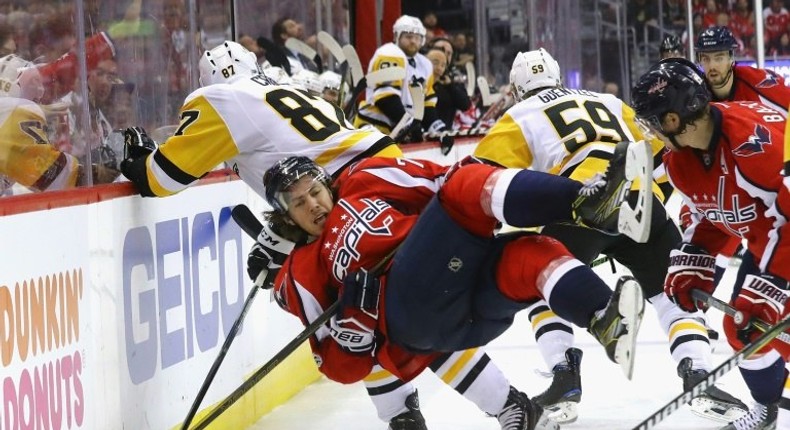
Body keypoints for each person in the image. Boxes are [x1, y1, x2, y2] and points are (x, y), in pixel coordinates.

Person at [119, 40, 523, 430]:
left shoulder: (218, 100)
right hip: (365, 180)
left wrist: (137, 162)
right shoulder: (279, 88)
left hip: (348, 194)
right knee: (363, 311)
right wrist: (281, 237)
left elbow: (163, 178)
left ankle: (485, 406)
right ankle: (424, 413)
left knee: (387, 315)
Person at [261, 146, 651, 429]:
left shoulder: (363, 181)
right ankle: (407, 414)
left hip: (458, 309)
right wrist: (356, 330)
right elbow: (338, 367)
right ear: (287, 217)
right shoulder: (301, 271)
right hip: (411, 315)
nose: (312, 204)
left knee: (531, 253)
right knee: (464, 188)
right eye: (298, 203)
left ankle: (604, 318)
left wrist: (487, 185)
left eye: (315, 191)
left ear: (327, 184)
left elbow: (438, 180)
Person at [471, 47, 747, 424]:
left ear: (519, 89)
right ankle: (697, 372)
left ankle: (564, 375)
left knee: (539, 279)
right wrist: (648, 207)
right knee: (672, 290)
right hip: (639, 196)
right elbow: (663, 151)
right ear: (555, 76)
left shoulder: (519, 114)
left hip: (580, 198)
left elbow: (481, 179)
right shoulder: (606, 100)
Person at [631, 57, 790, 430]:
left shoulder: (753, 145)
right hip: (771, 236)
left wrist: (775, 285)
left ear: (672, 119)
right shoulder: (682, 160)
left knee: (761, 317)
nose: (651, 130)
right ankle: (770, 410)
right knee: (746, 325)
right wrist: (697, 256)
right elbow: (718, 206)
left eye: (652, 120)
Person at [0, 54, 115, 195]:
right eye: (33, 87)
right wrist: (120, 162)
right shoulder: (13, 118)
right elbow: (66, 179)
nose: (41, 95)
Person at [353, 15, 453, 153]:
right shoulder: (389, 53)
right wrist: (410, 125)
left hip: (400, 130)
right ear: (396, 36)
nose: (413, 41)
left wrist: (440, 131)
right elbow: (386, 99)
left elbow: (426, 104)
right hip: (374, 128)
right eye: (408, 36)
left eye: (417, 37)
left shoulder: (424, 64)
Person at [695, 26, 790, 114]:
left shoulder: (759, 82)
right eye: (705, 59)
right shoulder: (695, 94)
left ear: (731, 58)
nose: (712, 66)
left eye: (719, 58)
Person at [425, 47, 470, 129]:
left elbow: (465, 105)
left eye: (443, 65)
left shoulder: (449, 84)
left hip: (444, 133)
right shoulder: (417, 83)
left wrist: (450, 86)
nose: (439, 68)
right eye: (435, 63)